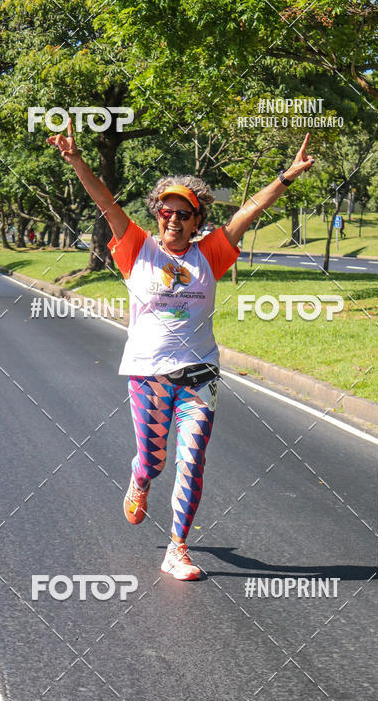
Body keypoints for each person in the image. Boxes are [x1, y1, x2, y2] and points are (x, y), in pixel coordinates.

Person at [48, 121, 314, 580]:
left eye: (184, 213)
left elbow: (247, 212)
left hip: (200, 375)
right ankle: (139, 479)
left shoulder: (210, 253)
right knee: (154, 460)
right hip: (148, 375)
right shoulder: (135, 248)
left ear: (197, 220)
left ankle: (177, 548)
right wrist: (76, 159)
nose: (174, 219)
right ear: (156, 216)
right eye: (166, 212)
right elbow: (106, 203)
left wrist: (286, 177)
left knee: (192, 460)